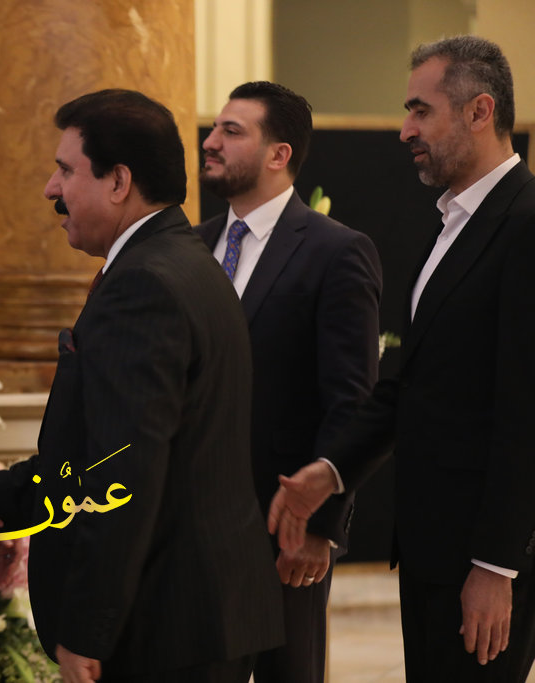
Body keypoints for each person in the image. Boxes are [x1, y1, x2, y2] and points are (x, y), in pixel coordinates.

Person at [0, 89, 284, 683]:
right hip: (197, 615)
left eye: (66, 170)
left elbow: (123, 470)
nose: (51, 188)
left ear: (119, 181)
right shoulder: (181, 260)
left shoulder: (143, 284)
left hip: (163, 625)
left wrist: (87, 631)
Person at [269, 36, 535, 682]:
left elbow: (526, 409)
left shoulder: (526, 222)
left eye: (421, 111)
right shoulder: (453, 223)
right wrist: (331, 470)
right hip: (431, 550)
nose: (405, 130)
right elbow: (411, 384)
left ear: (479, 111)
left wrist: (496, 566)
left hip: (481, 559)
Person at [194, 81, 382, 683]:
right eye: (214, 128)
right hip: (187, 532)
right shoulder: (190, 247)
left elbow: (351, 402)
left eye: (231, 131)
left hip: (282, 531)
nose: (210, 141)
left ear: (279, 154)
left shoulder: (336, 251)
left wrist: (321, 526)